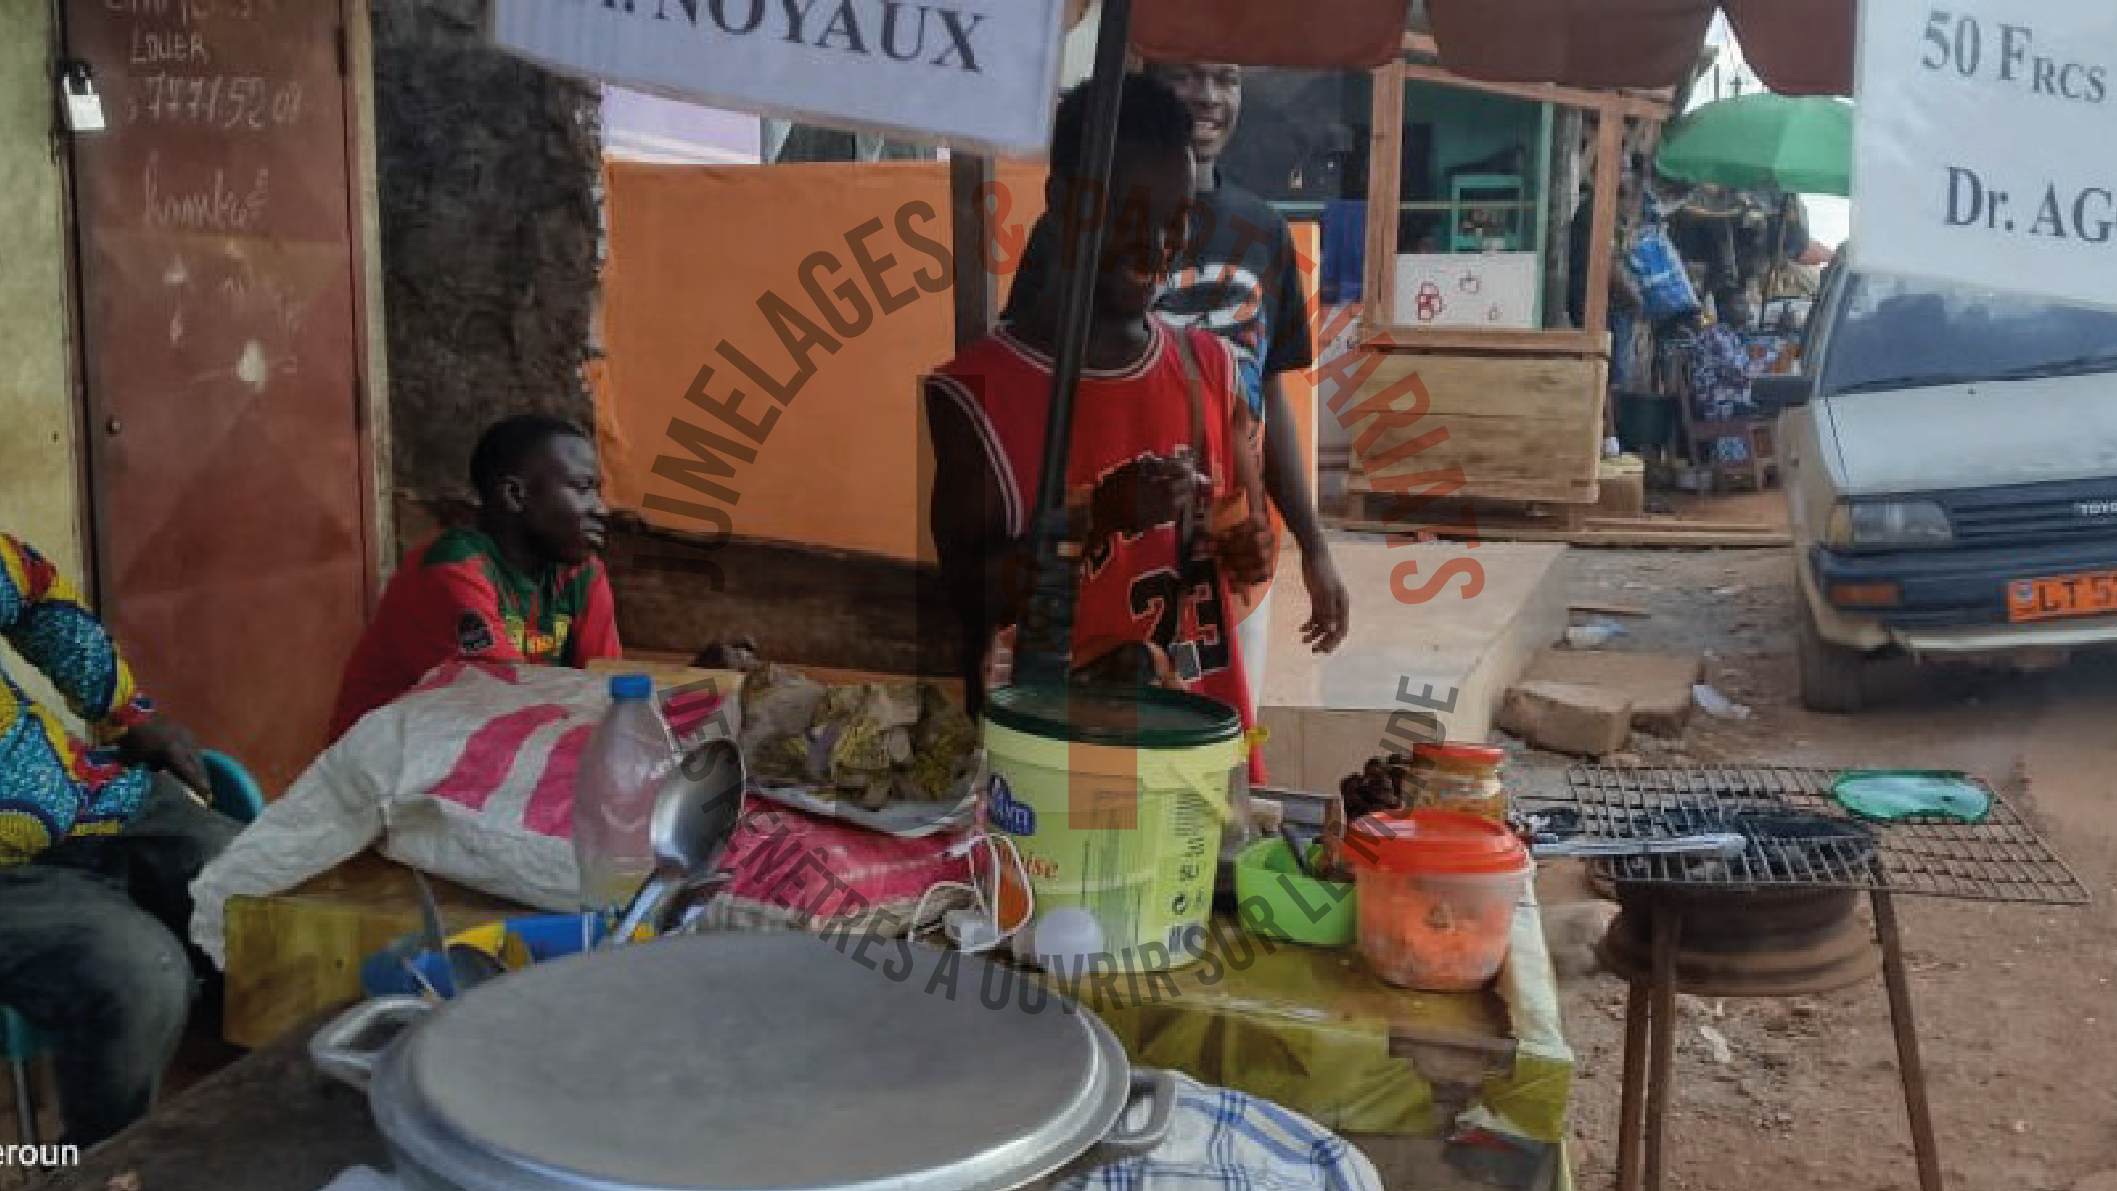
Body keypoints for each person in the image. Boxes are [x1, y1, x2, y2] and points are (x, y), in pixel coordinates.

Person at [926, 73, 1272, 768]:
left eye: (1176, 220)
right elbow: (969, 604)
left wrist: (1250, 550)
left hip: (1205, 756)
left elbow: (1248, 544)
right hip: (1057, 773)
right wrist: (1095, 518)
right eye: (1127, 216)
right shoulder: (977, 394)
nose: (1157, 244)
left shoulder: (1211, 367)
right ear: (1063, 204)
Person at [1000, 61, 1350, 716]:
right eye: (1188, 78)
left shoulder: (1263, 231)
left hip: (1225, 548)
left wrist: (1312, 544)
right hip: (1106, 551)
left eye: (1227, 80)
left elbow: (1268, 395)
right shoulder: (1070, 232)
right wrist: (1091, 512)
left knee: (1215, 743)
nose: (1210, 97)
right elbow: (1027, 380)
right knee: (1094, 743)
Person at [0, 532, 240, 1147]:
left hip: (93, 799)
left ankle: (253, 1126)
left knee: (261, 889)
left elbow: (32, 595)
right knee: (139, 971)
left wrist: (129, 712)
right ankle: (97, 1166)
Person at [329, 415, 620, 741]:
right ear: (515, 495)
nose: (601, 509)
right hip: (386, 769)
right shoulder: (452, 570)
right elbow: (506, 702)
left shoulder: (581, 573)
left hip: (480, 751)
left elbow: (606, 690)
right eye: (583, 489)